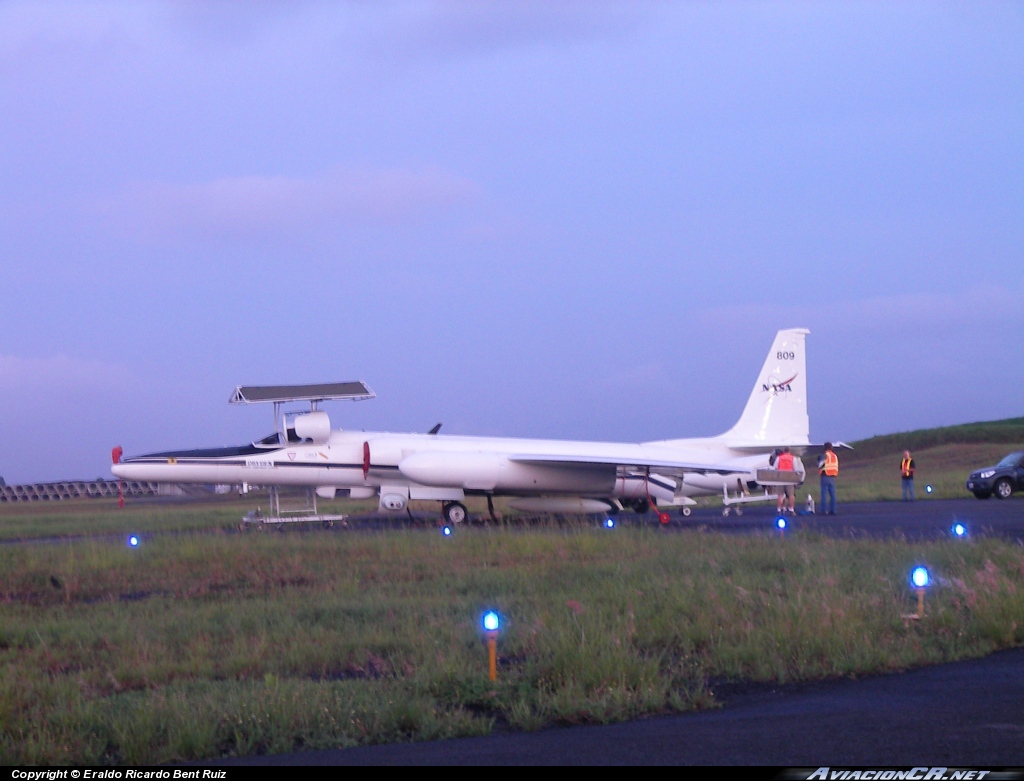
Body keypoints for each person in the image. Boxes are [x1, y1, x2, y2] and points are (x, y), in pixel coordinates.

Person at [775, 447, 797, 515]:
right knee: (791, 495)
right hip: (789, 478)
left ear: (784, 451)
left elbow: (775, 468)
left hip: (781, 478)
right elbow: (795, 469)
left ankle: (779, 509)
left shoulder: (779, 458)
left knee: (780, 495)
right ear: (789, 451)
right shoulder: (793, 458)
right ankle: (791, 509)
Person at [818, 442, 839, 515]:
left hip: (825, 475)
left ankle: (824, 510)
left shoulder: (825, 455)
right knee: (833, 494)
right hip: (832, 476)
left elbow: (820, 465)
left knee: (824, 494)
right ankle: (833, 510)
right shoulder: (834, 456)